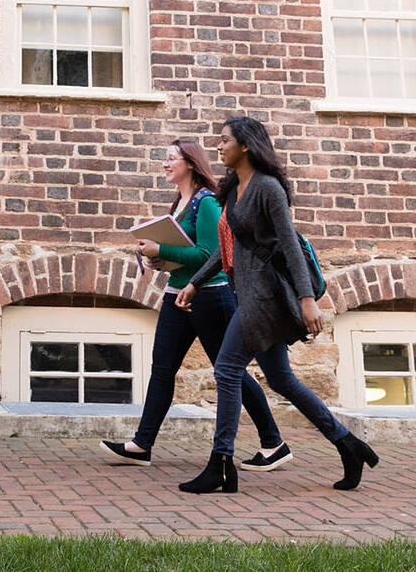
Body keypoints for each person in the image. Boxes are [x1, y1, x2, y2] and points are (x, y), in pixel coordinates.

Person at [177, 117, 380, 494]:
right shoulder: (234, 188)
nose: (218, 147)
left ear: (247, 146)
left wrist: (308, 302)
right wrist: (194, 282)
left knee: (226, 368)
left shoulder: (268, 188)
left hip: (265, 297)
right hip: (246, 292)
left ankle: (221, 464)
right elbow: (232, 250)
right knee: (282, 379)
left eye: (225, 141)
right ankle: (348, 444)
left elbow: (289, 244)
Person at [99, 139, 292, 471]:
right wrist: (160, 260)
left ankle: (273, 442)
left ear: (190, 163)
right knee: (162, 369)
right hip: (177, 294)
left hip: (211, 297)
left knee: (229, 371)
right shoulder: (180, 203)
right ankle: (141, 445)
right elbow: (183, 254)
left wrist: (162, 251)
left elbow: (208, 255)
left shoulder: (207, 203)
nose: (165, 163)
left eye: (171, 158)